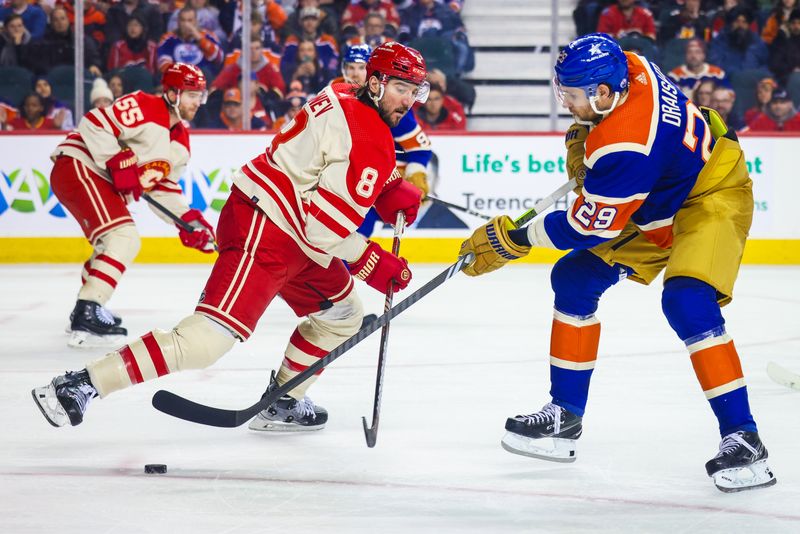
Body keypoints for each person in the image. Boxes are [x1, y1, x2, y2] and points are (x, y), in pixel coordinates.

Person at [32, 42, 427, 435]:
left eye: (415, 91)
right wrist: (373, 261)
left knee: (342, 315)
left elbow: (331, 160)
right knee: (205, 341)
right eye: (400, 88)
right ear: (374, 83)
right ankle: (79, 385)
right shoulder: (371, 139)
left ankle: (284, 400)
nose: (409, 100)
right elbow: (326, 229)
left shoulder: (342, 91)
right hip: (267, 226)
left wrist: (387, 186)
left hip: (294, 229)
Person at [459, 33, 776, 493]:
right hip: (657, 195)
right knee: (573, 280)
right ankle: (564, 418)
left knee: (688, 301)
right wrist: (586, 139)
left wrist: (517, 238)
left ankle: (745, 440)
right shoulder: (629, 63)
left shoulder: (628, 145)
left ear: (604, 93)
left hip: (709, 193)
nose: (565, 103)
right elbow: (607, 168)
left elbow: (588, 227)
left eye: (572, 96)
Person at [44, 63, 215, 348]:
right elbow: (95, 122)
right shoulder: (144, 105)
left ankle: (86, 307)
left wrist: (189, 222)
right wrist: (115, 159)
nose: (198, 102)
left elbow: (162, 187)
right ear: (172, 93)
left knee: (111, 243)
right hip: (78, 166)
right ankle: (88, 307)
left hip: (95, 179)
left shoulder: (181, 142)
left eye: (200, 95)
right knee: (124, 237)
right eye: (192, 95)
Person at [157, 6, 224, 74]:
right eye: (183, 20)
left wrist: (200, 39)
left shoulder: (208, 36)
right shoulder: (168, 38)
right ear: (178, 22)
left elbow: (219, 58)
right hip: (178, 78)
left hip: (202, 77)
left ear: (195, 21)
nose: (186, 24)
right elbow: (163, 64)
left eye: (190, 20)